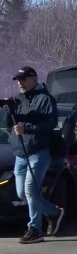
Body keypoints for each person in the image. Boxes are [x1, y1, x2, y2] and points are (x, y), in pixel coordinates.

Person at [1, 66, 65, 243]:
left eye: (23, 79)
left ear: (34, 80)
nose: (20, 83)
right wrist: (9, 112)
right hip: (20, 153)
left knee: (30, 190)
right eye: (18, 80)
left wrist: (26, 127)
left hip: (38, 152)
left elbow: (50, 124)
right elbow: (9, 125)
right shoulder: (18, 99)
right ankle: (54, 212)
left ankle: (35, 229)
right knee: (22, 194)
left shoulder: (45, 99)